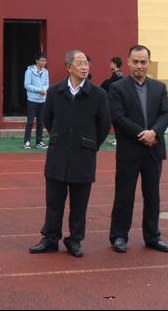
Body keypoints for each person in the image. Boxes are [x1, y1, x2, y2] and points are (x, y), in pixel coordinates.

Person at [29, 50, 110, 258]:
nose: (84, 67)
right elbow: (48, 119)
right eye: (80, 63)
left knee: (79, 203)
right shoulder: (55, 92)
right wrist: (60, 137)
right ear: (68, 67)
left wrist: (90, 144)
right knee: (54, 202)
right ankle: (50, 239)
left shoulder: (98, 95)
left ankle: (74, 240)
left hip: (84, 155)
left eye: (86, 63)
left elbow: (104, 125)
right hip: (58, 154)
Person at [108, 45, 168, 254]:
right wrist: (143, 134)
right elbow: (118, 117)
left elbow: (165, 114)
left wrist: (154, 132)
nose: (139, 66)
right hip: (129, 151)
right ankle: (119, 236)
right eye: (135, 61)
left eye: (143, 62)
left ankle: (152, 236)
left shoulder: (159, 88)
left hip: (154, 150)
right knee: (124, 195)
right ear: (128, 62)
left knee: (152, 196)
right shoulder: (117, 88)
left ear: (149, 63)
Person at [23, 53, 49, 149]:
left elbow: (47, 84)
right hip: (32, 100)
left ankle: (39, 142)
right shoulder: (29, 71)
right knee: (30, 122)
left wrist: (44, 89)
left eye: (45, 60)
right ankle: (27, 142)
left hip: (42, 100)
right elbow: (27, 85)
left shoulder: (46, 71)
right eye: (42, 60)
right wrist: (39, 90)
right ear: (37, 61)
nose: (44, 62)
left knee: (41, 122)